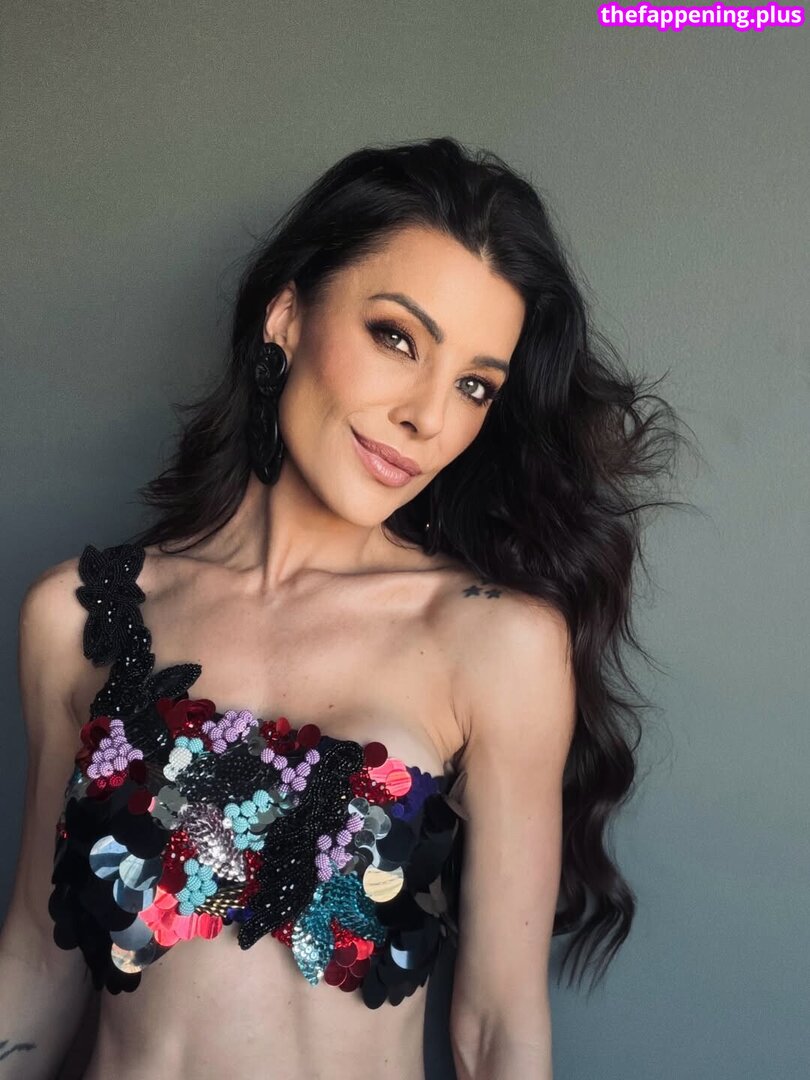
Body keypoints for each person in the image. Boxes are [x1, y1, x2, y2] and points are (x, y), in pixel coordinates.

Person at [0, 136, 688, 1080]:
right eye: (398, 338)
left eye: (474, 386)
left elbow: (496, 1028)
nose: (428, 416)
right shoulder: (77, 617)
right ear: (287, 315)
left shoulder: (495, 642)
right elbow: (36, 965)